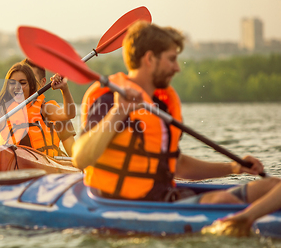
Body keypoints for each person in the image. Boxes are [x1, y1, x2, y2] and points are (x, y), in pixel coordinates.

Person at [72, 21, 280, 233]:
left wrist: (235, 168)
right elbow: (80, 158)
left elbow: (177, 165)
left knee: (273, 186)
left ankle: (246, 217)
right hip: (125, 205)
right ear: (150, 59)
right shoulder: (110, 100)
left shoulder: (160, 107)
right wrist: (119, 112)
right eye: (171, 59)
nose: (177, 68)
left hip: (165, 198)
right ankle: (241, 221)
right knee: (225, 200)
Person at [0, 62, 76, 157]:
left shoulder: (45, 108)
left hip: (42, 165)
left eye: (23, 82)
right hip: (10, 164)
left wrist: (64, 89)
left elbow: (69, 114)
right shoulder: (1, 113)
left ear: (33, 85)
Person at [21, 58, 76, 156]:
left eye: (32, 78)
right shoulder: (5, 112)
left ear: (43, 82)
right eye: (23, 80)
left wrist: (65, 89)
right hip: (16, 166)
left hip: (46, 165)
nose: (27, 84)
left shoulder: (48, 110)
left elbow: (75, 156)